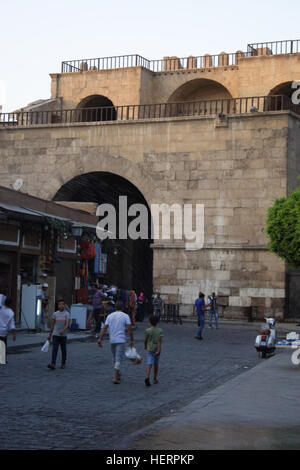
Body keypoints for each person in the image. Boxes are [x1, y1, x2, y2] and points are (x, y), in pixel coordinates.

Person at [97, 300, 134, 384]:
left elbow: (105, 328)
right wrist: (131, 340)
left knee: (115, 358)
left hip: (112, 340)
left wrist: (100, 338)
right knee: (118, 358)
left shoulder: (110, 316)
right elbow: (129, 328)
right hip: (120, 339)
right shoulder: (125, 316)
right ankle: (115, 377)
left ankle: (117, 374)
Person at [47, 299, 70, 370]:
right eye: (60, 304)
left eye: (63, 304)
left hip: (63, 335)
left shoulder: (67, 314)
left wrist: (63, 330)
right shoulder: (55, 314)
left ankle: (63, 363)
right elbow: (52, 325)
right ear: (58, 305)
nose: (61, 305)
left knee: (63, 350)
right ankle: (53, 363)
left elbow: (67, 324)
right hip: (55, 334)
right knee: (55, 349)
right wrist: (49, 335)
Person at [144, 315, 163, 386]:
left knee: (149, 362)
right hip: (156, 348)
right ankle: (154, 378)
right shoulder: (160, 331)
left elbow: (145, 340)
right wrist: (159, 349)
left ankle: (147, 376)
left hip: (149, 348)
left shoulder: (147, 330)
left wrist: (145, 346)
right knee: (156, 363)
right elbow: (159, 341)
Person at [0, 296, 16, 363]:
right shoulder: (11, 312)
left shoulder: (1, 309)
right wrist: (14, 334)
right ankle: (2, 359)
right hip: (3, 331)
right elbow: (11, 324)